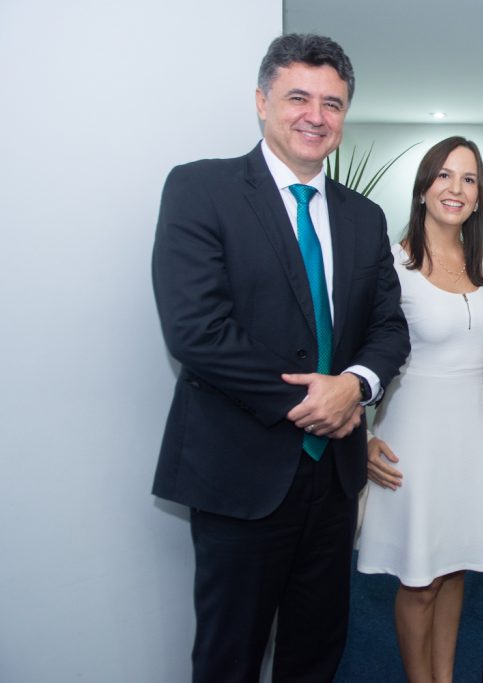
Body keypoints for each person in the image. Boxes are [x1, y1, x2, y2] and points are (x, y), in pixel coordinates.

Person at [150, 34, 409, 682]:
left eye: (332, 103)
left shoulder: (365, 217)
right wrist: (317, 400)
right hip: (238, 473)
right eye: (299, 97)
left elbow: (389, 328)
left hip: (335, 481)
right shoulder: (200, 188)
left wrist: (355, 385)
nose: (315, 116)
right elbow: (195, 330)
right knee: (229, 658)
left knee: (316, 653)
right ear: (262, 101)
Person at [356, 136, 483, 683]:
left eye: (469, 179)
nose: (455, 188)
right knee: (419, 580)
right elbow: (357, 355)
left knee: (456, 567)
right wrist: (360, 437)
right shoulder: (391, 264)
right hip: (413, 441)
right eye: (444, 175)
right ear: (423, 188)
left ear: (479, 195)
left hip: (472, 440)